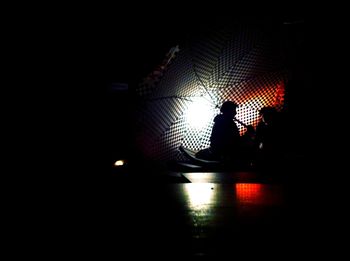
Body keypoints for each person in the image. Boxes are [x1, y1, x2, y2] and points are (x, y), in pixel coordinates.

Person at [196, 101, 242, 165]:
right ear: (227, 111)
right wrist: (248, 134)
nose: (235, 113)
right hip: (224, 154)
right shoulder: (225, 123)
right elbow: (235, 142)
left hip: (221, 152)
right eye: (233, 110)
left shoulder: (225, 122)